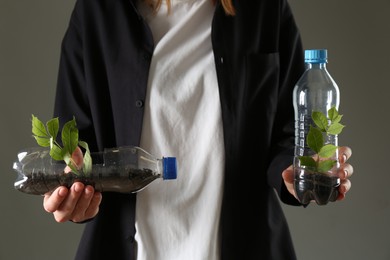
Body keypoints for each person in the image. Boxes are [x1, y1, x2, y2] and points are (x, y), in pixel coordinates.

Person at [42, 0, 353, 259]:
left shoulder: (264, 8)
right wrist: (71, 195)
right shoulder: (99, 11)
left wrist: (298, 173)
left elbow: (288, 137)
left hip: (245, 246)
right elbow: (72, 145)